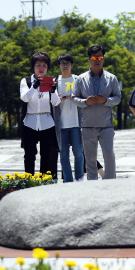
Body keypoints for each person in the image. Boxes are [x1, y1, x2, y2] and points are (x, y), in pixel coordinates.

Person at [72, 45, 121, 180]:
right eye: (94, 57)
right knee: (90, 159)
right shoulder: (81, 79)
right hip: (88, 126)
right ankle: (92, 186)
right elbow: (74, 98)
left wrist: (106, 100)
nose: (97, 60)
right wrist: (86, 102)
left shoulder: (111, 78)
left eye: (100, 57)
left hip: (106, 125)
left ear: (103, 58)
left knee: (109, 155)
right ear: (89, 59)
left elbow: (118, 98)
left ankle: (111, 184)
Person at [20, 51, 61, 177]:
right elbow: (25, 98)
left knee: (46, 155)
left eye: (44, 65)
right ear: (33, 66)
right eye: (38, 65)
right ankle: (28, 181)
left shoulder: (52, 81)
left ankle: (44, 181)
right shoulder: (26, 81)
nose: (41, 68)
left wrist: (53, 90)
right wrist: (34, 86)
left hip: (47, 122)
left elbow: (56, 102)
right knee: (29, 155)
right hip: (30, 122)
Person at [54, 53, 84, 182]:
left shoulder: (78, 80)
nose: (65, 66)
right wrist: (57, 99)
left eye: (67, 63)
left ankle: (79, 178)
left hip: (76, 123)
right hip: (61, 124)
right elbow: (50, 101)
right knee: (63, 156)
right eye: (62, 63)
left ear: (72, 65)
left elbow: (84, 98)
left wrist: (75, 98)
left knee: (78, 153)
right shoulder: (55, 82)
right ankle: (68, 180)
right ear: (59, 65)